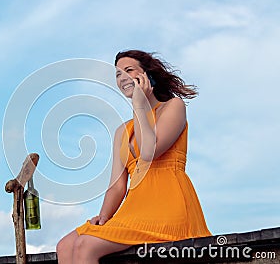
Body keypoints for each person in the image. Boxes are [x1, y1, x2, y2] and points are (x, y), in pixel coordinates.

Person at [56, 50, 211, 264]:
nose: (122, 78)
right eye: (118, 74)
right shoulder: (122, 130)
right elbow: (117, 186)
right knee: (64, 246)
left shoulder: (173, 107)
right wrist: (104, 217)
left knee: (86, 246)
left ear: (148, 75)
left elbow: (149, 152)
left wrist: (139, 103)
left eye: (128, 70)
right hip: (134, 208)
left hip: (167, 203)